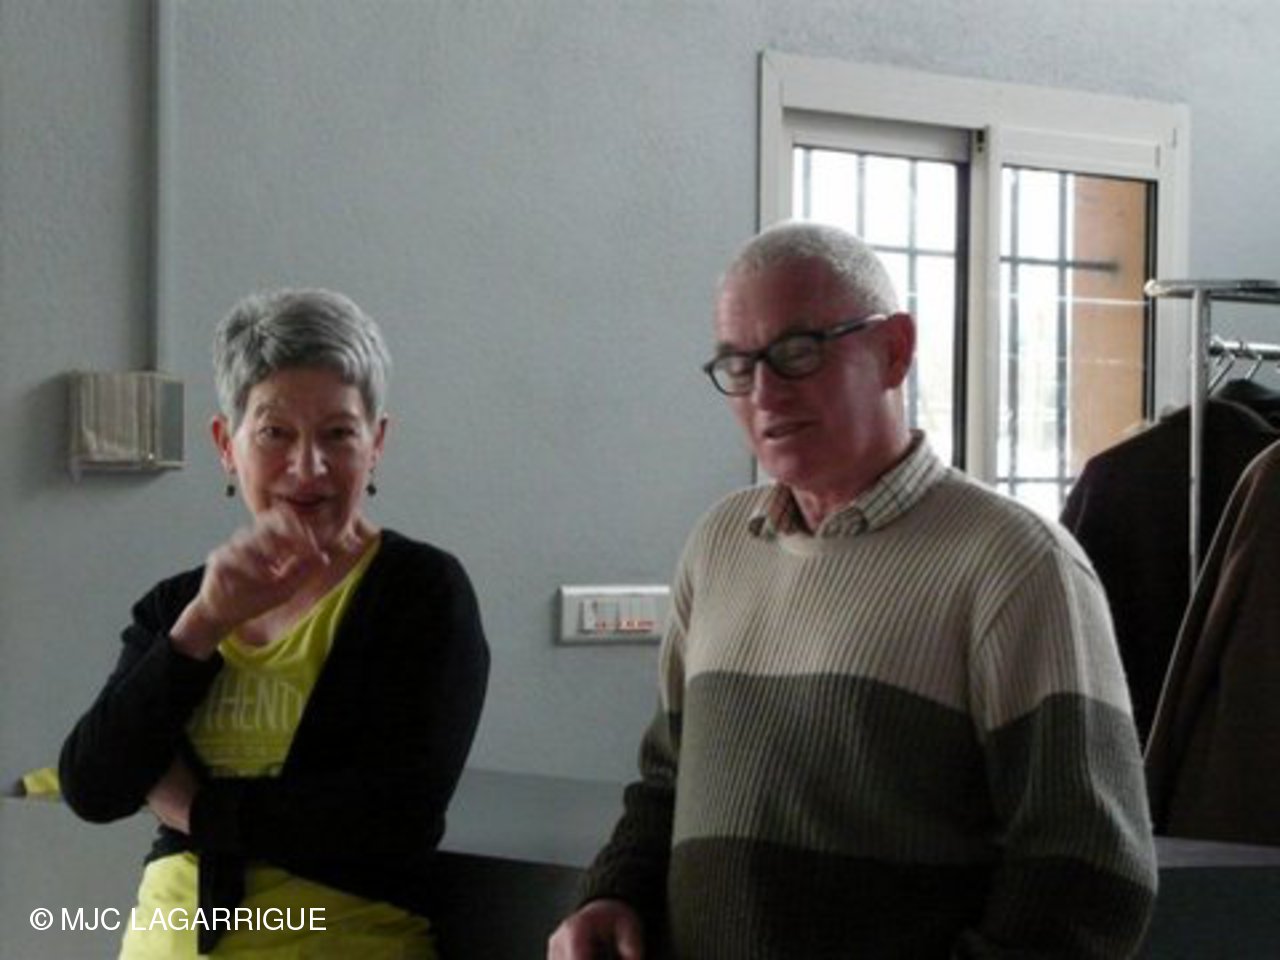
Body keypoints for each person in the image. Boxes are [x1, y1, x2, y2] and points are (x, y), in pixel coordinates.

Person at [548, 222, 1157, 959]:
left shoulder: (1017, 565)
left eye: (798, 352)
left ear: (895, 350)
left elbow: (1089, 871)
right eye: (738, 364)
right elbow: (666, 781)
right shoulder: (719, 545)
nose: (765, 392)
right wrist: (613, 892)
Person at [60, 288, 490, 958]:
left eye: (338, 434)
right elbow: (93, 786)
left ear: (376, 443)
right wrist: (203, 627)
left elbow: (390, 817)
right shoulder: (178, 605)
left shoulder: (419, 590)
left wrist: (193, 807)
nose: (307, 467)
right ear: (225, 445)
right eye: (275, 433)